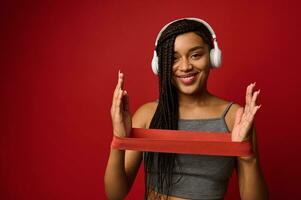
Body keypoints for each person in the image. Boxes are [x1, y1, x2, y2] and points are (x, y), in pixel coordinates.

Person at [104, 18, 268, 200]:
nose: (185, 66)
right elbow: (115, 195)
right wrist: (118, 139)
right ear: (160, 65)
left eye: (195, 55)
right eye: (173, 59)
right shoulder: (147, 114)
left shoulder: (234, 118)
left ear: (213, 57)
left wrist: (247, 156)